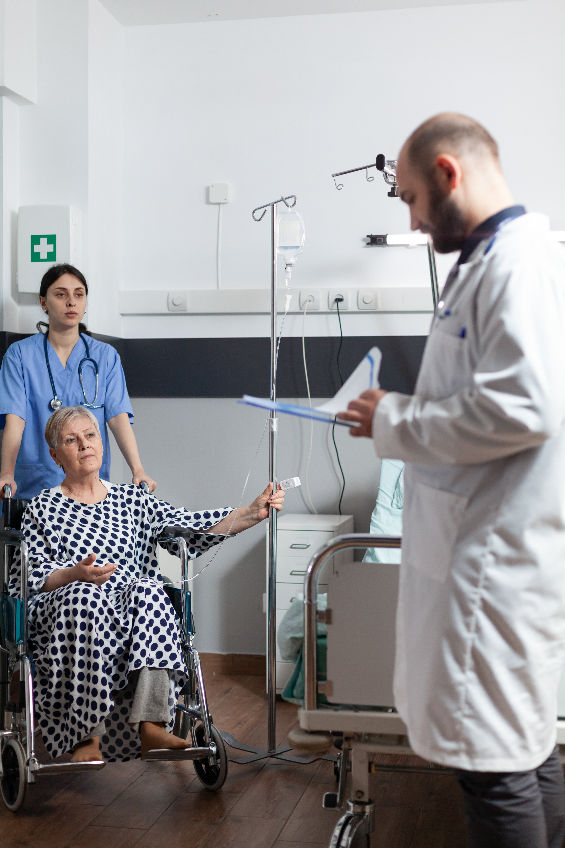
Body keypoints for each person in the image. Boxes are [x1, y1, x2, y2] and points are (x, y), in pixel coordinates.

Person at [340, 113, 565, 848]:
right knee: (520, 753)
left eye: (408, 198)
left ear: (447, 173)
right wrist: (397, 420)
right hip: (479, 555)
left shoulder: (519, 262)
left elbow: (523, 406)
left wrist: (396, 421)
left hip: (492, 566)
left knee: (496, 766)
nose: (409, 217)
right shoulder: (487, 260)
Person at [9, 405, 284, 763]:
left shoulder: (132, 499)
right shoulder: (43, 507)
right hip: (66, 613)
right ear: (55, 454)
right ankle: (85, 738)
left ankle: (153, 725)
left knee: (152, 590)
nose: (84, 445)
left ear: (102, 444)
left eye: (90, 436)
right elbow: (26, 579)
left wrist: (252, 512)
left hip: (127, 611)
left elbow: (188, 525)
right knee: (84, 596)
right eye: (71, 440)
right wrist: (74, 574)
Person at [0, 263, 155, 500]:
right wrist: (7, 473)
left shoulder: (105, 356)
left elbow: (117, 417)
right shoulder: (20, 355)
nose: (71, 302)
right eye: (61, 294)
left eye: (78, 294)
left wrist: (138, 470)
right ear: (44, 302)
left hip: (90, 485)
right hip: (34, 484)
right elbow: (15, 419)